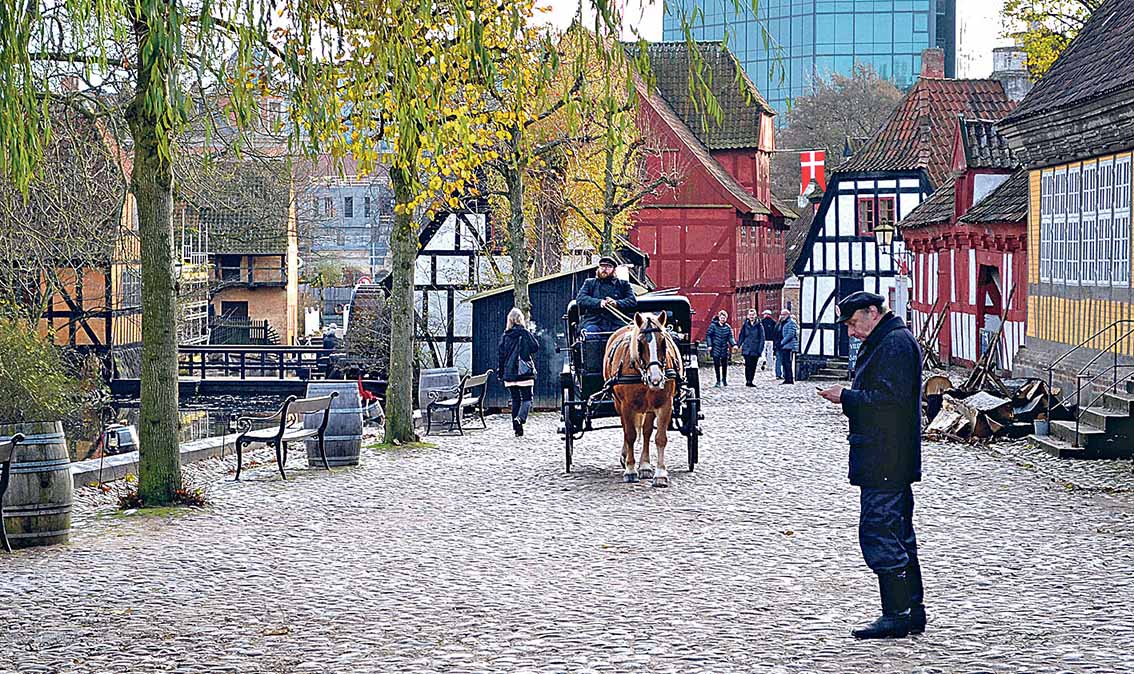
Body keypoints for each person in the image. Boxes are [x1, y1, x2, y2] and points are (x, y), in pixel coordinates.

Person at [817, 291, 925, 640]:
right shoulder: (889, 339)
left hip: (886, 456)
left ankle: (897, 613)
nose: (850, 332)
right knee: (898, 532)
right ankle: (911, 610)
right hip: (887, 456)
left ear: (872, 312)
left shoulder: (893, 344)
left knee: (881, 530)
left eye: (852, 323)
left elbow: (888, 404)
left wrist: (845, 396)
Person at [497, 308, 540, 437]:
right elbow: (535, 347)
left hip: (510, 374)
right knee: (527, 398)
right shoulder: (525, 333)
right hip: (524, 372)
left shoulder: (505, 336)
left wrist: (501, 373)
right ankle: (520, 419)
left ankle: (517, 430)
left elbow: (501, 355)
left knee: (515, 400)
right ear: (521, 319)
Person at [575, 255, 637, 336]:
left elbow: (632, 301)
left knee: (629, 335)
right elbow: (580, 299)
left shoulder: (623, 284)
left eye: (608, 267)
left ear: (614, 270)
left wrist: (616, 303)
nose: (604, 269)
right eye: (602, 266)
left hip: (617, 322)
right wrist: (599, 302)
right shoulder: (589, 283)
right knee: (589, 333)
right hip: (595, 322)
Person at [705, 309, 736, 387]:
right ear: (719, 318)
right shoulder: (713, 326)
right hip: (716, 347)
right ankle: (718, 380)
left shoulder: (727, 327)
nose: (723, 319)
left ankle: (724, 379)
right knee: (716, 365)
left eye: (724, 318)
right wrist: (709, 345)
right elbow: (708, 335)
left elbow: (730, 337)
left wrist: (734, 345)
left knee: (725, 365)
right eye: (722, 318)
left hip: (724, 348)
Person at [737, 309, 766, 387]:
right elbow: (742, 335)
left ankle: (751, 380)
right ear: (748, 316)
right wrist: (738, 345)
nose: (751, 316)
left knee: (753, 366)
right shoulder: (745, 324)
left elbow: (762, 338)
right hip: (747, 348)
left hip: (755, 348)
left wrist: (760, 349)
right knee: (747, 365)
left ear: (755, 315)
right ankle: (748, 380)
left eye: (753, 315)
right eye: (750, 315)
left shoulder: (759, 325)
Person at [778, 309, 799, 385]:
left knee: (788, 363)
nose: (782, 316)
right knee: (784, 362)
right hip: (784, 346)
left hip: (789, 346)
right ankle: (786, 378)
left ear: (787, 315)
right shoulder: (783, 322)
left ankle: (789, 379)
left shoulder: (791, 323)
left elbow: (790, 334)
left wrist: (782, 342)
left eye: (783, 315)